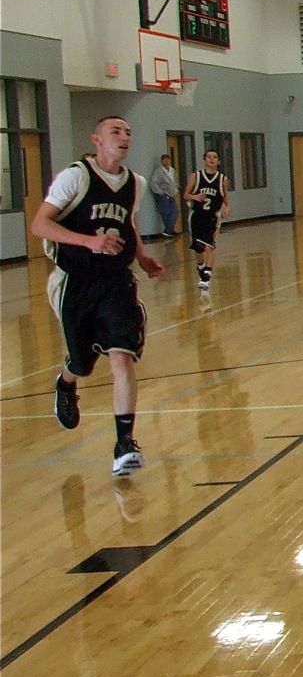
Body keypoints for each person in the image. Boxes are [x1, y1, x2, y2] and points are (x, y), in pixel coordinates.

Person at [31, 116, 164, 476]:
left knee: (122, 356)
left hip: (116, 281)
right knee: (82, 363)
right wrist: (88, 241)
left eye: (128, 132)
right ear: (97, 140)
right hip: (75, 281)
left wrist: (141, 256)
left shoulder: (135, 183)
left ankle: (125, 443)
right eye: (115, 132)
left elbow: (129, 223)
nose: (124, 137)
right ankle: (66, 383)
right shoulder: (75, 177)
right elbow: (40, 224)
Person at [183, 149, 229, 288]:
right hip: (197, 215)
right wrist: (195, 196)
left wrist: (228, 207)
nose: (212, 159)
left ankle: (206, 276)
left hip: (212, 216)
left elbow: (225, 195)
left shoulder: (223, 179)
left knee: (210, 245)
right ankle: (201, 266)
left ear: (218, 161)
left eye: (215, 157)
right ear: (205, 160)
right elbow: (185, 195)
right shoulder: (195, 177)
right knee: (199, 247)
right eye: (209, 157)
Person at [149, 153, 179, 237]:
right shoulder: (158, 171)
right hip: (163, 195)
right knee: (166, 212)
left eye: (168, 160)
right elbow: (154, 183)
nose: (166, 162)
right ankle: (169, 231)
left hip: (171, 195)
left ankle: (168, 230)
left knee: (175, 213)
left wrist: (176, 189)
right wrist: (161, 192)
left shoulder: (172, 170)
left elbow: (175, 181)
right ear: (162, 161)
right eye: (164, 160)